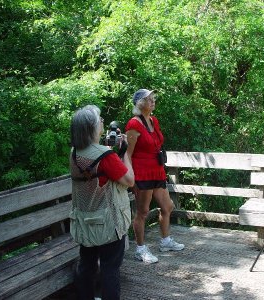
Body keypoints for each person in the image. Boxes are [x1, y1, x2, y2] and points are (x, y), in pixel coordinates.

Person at [69, 104, 134, 300]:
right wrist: (125, 154)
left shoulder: (74, 153)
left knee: (87, 266)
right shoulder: (106, 156)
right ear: (92, 128)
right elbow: (130, 181)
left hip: (85, 223)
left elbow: (94, 164)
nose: (103, 124)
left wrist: (110, 152)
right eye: (100, 122)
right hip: (108, 224)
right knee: (110, 269)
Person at [125, 89, 184, 264]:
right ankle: (140, 249)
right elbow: (128, 154)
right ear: (139, 103)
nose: (153, 101)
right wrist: (129, 176)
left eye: (153, 98)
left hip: (157, 170)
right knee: (142, 212)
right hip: (142, 172)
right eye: (148, 99)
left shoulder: (153, 121)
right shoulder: (133, 125)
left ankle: (165, 241)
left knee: (168, 206)